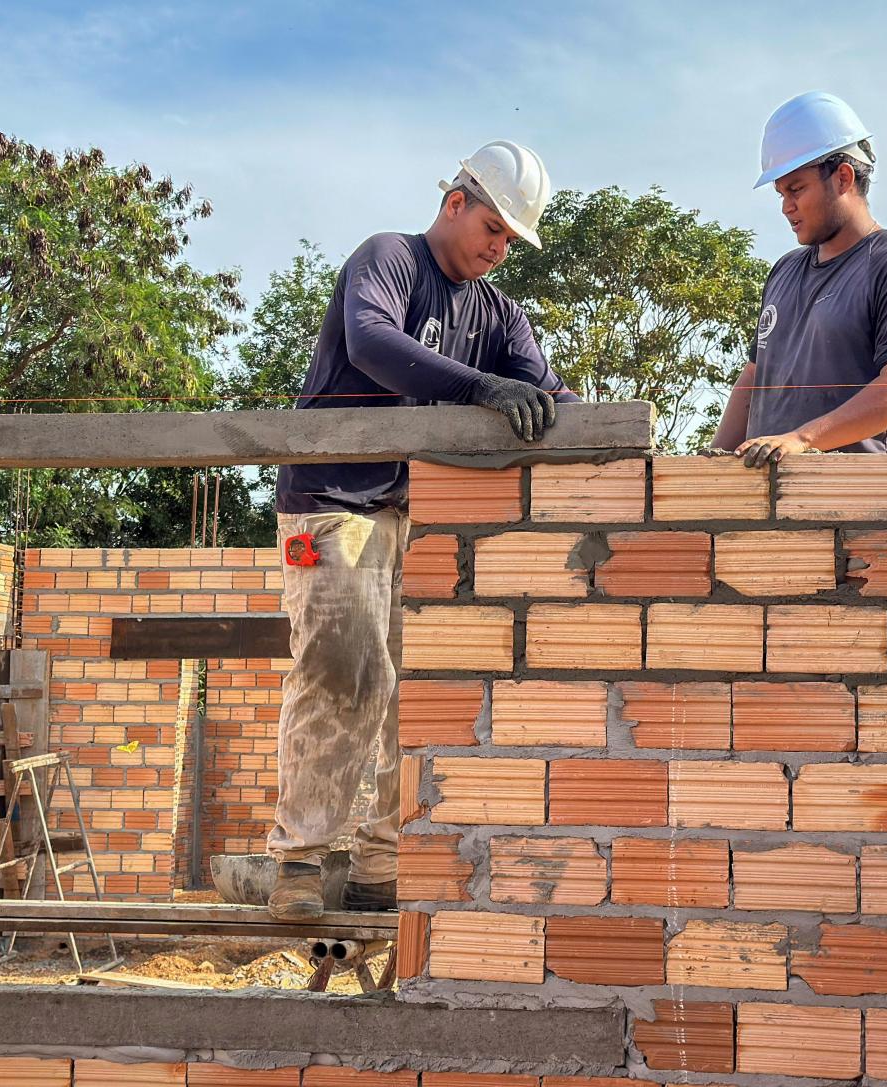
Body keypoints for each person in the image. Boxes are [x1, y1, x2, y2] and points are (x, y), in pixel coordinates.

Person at [267, 140, 578, 920]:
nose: (499, 250)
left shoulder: (499, 314)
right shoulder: (390, 260)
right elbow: (373, 346)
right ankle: (305, 861)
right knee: (345, 664)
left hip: (413, 517)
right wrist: (481, 388)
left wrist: (584, 415)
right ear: (455, 203)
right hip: (332, 504)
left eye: (512, 240)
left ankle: (380, 861)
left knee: (416, 690)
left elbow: (545, 391)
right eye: (494, 229)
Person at [712, 91, 887, 466]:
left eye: (796, 189)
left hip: (857, 502)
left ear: (843, 177)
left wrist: (802, 439)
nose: (785, 206)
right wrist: (715, 461)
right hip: (767, 505)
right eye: (780, 193)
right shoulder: (784, 272)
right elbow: (755, 378)